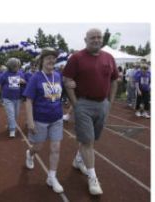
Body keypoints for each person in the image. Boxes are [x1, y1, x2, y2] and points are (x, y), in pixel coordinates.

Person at [63, 28, 118, 195]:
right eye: (92, 37)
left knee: (92, 139)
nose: (96, 40)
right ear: (85, 39)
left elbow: (115, 80)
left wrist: (110, 102)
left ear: (102, 40)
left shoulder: (109, 58)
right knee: (88, 141)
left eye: (99, 37)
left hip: (102, 105)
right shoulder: (77, 58)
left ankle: (79, 160)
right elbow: (67, 79)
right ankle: (93, 178)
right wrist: (76, 104)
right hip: (84, 105)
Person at [23, 48, 64, 193]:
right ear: (42, 61)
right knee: (38, 148)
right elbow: (28, 100)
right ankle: (30, 153)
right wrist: (30, 121)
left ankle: (52, 177)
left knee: (55, 148)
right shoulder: (36, 77)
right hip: (40, 119)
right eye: (48, 58)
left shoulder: (58, 76)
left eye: (53, 58)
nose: (51, 61)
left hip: (57, 119)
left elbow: (59, 95)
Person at [0, 58, 25, 137]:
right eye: (15, 66)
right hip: (7, 98)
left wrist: (22, 81)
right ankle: (12, 130)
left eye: (18, 66)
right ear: (11, 66)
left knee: (16, 115)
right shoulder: (4, 74)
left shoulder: (21, 73)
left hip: (17, 98)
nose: (17, 67)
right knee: (11, 114)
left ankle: (9, 124)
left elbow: (25, 83)